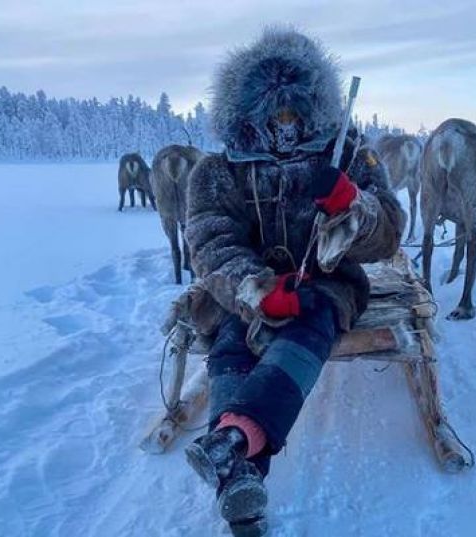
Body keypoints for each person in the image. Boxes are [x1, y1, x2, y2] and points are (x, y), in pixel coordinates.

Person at [184, 28, 406, 536]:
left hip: (326, 284)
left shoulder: (348, 155)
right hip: (250, 290)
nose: (285, 125)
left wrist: (354, 208)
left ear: (315, 106)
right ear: (249, 111)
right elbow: (212, 242)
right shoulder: (218, 170)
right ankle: (240, 473)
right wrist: (256, 290)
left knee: (309, 324)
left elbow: (390, 232)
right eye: (273, 114)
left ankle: (231, 445)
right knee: (232, 341)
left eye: (294, 112)